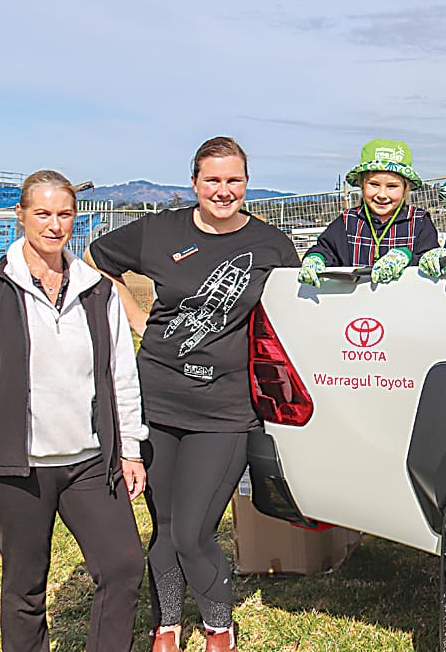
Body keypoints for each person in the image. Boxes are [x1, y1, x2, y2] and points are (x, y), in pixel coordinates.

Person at [87, 137, 299, 652]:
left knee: (192, 531)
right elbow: (96, 259)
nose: (223, 191)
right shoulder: (161, 231)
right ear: (195, 182)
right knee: (162, 525)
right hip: (156, 397)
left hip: (224, 409)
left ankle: (218, 626)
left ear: (246, 183)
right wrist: (136, 318)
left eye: (234, 181)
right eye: (213, 180)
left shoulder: (274, 245)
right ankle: (167, 625)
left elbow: (297, 314)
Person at [0, 169, 148, 652]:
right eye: (43, 213)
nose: (54, 225)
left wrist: (131, 450)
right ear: (21, 215)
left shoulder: (98, 291)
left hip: (90, 464)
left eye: (64, 213)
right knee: (25, 586)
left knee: (122, 567)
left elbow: (122, 374)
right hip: (18, 469)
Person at [297, 138, 439, 286]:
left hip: (405, 300)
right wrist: (316, 257)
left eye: (392, 186)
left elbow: (430, 262)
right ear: (361, 185)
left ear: (405, 188)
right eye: (374, 184)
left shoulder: (419, 221)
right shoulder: (348, 221)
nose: (382, 195)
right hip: (356, 302)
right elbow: (326, 250)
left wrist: (408, 257)